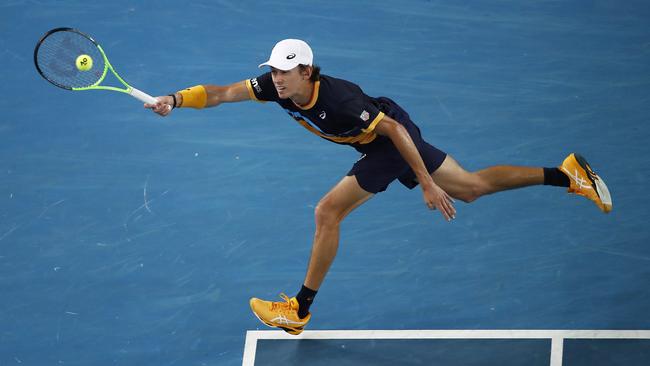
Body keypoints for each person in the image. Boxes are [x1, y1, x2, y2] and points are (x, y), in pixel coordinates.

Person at [145, 39, 612, 335]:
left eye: (285, 72)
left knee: (327, 213)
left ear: (308, 71)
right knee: (470, 187)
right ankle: (566, 173)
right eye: (274, 71)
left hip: (389, 139)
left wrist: (426, 185)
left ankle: (299, 310)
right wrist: (175, 99)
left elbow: (394, 134)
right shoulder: (275, 87)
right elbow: (225, 92)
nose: (276, 78)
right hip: (378, 140)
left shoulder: (341, 100)